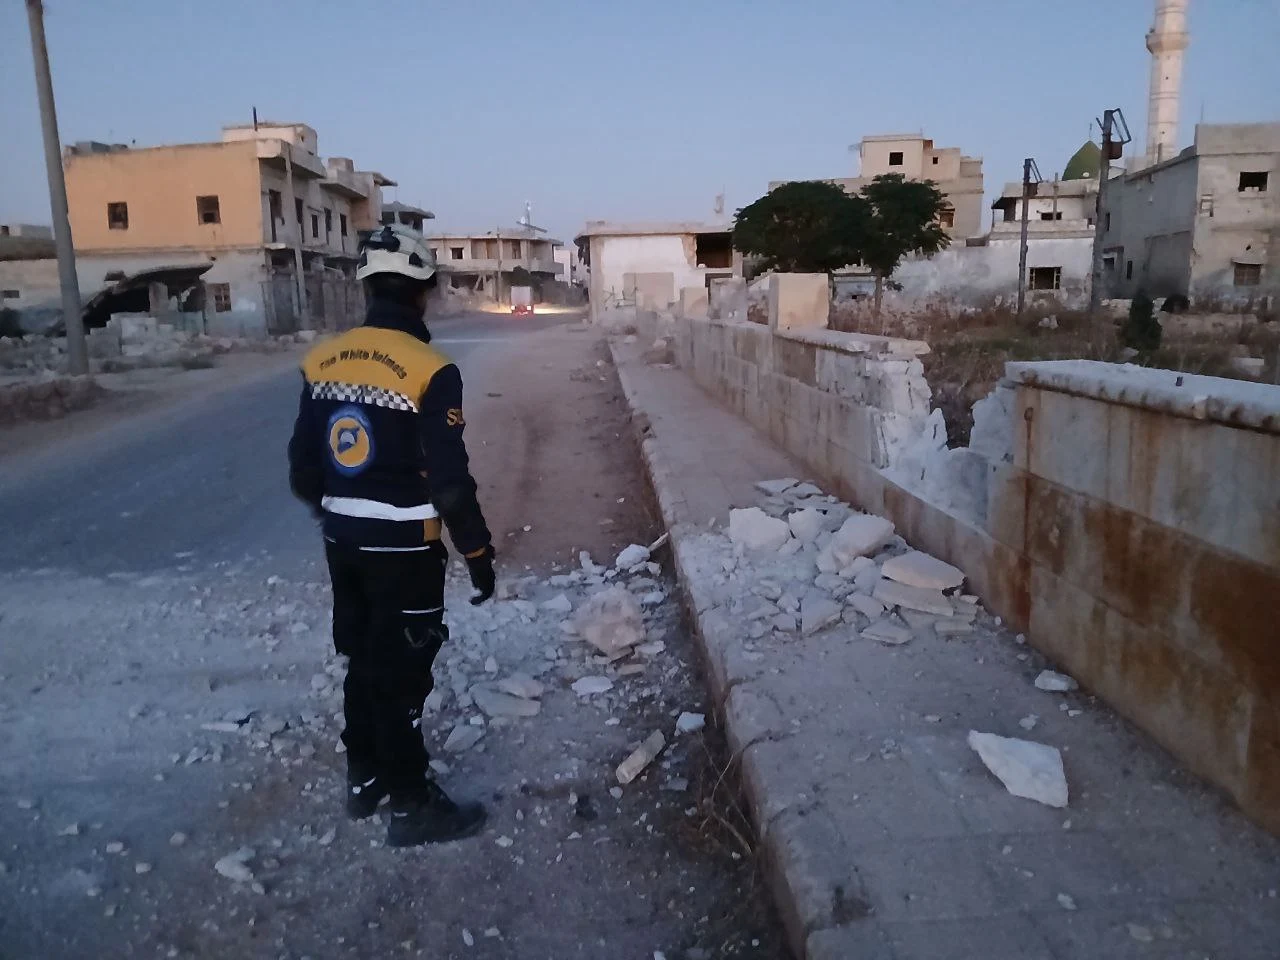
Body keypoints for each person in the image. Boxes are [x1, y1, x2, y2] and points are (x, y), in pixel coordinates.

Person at [287, 223, 495, 847]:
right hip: (405, 550)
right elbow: (451, 484)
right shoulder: (432, 368)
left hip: (343, 545)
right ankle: (409, 802)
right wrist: (478, 554)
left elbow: (302, 470)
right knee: (402, 670)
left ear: (366, 288)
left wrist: (342, 516)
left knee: (363, 656)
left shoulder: (321, 361)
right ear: (422, 290)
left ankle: (363, 777)